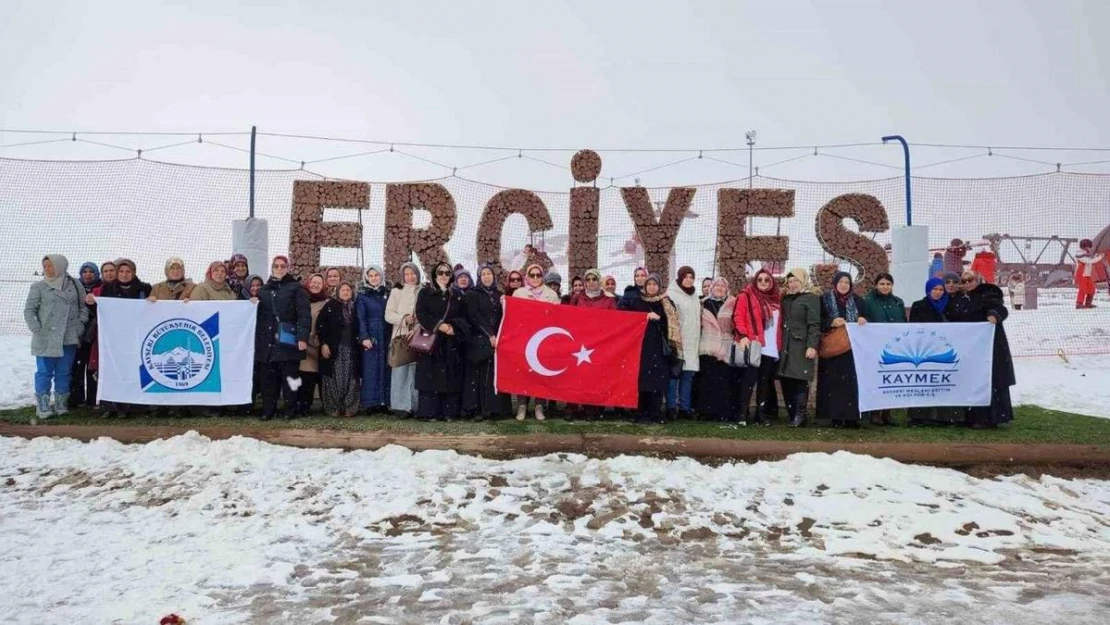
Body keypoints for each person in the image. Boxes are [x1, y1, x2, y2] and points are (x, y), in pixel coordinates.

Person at [25, 255, 89, 423]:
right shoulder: (38, 286)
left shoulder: (75, 284)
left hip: (69, 336)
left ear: (60, 266)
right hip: (46, 337)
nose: (47, 269)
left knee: (64, 372)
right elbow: (29, 311)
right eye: (45, 266)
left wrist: (79, 326)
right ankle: (43, 405)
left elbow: (83, 307)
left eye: (50, 265)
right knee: (44, 372)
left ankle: (61, 404)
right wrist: (37, 329)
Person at [949, 271, 1016, 429]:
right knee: (972, 381)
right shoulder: (960, 299)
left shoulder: (987, 294)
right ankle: (971, 416)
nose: (966, 283)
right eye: (963, 280)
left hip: (990, 348)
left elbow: (1000, 308)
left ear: (978, 280)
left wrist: (994, 315)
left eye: (970, 279)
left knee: (990, 381)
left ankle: (991, 417)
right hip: (970, 350)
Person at [254, 255, 310, 421]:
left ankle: (290, 409)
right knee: (268, 380)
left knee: (291, 378)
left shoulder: (296, 288)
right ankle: (268, 410)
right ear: (272, 268)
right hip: (267, 342)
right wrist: (251, 303)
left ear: (288, 268)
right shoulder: (263, 290)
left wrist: (302, 337)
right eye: (276, 266)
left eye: (282, 266)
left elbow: (304, 314)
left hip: (288, 340)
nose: (279, 269)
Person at [94, 259, 151, 418]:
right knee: (113, 368)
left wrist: (153, 301)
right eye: (121, 272)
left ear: (133, 272)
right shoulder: (107, 289)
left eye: (128, 272)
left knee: (135, 369)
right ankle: (112, 406)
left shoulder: (144, 288)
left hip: (137, 336)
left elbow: (152, 308)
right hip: (115, 337)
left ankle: (135, 406)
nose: (124, 275)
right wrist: (92, 302)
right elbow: (99, 309)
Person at [619, 274, 680, 424]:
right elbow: (625, 315)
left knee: (658, 382)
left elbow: (673, 324)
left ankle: (656, 413)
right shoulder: (637, 301)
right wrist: (643, 317)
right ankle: (641, 413)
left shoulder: (666, 302)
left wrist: (659, 319)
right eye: (649, 284)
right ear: (645, 286)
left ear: (659, 286)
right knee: (642, 381)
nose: (652, 287)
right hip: (642, 348)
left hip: (660, 348)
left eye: (655, 284)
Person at [906, 277, 966, 427]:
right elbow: (914, 327)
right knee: (923, 382)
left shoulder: (950, 305)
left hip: (945, 349)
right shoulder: (919, 305)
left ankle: (947, 417)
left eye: (941, 289)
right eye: (935, 289)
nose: (938, 292)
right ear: (928, 290)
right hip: (925, 350)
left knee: (944, 382)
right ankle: (919, 416)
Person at [415, 262, 469, 421]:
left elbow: (463, 316)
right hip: (431, 340)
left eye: (447, 273)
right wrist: (439, 326)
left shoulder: (456, 295)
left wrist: (454, 327)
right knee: (430, 376)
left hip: (450, 342)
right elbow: (421, 313)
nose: (444, 275)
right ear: (435, 274)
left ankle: (449, 412)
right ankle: (429, 412)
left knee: (450, 376)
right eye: (441, 272)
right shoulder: (425, 292)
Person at [816, 271, 868, 428]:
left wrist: (863, 319)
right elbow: (817, 320)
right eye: (841, 282)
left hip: (851, 348)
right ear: (835, 284)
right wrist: (831, 322)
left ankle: (852, 416)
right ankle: (835, 416)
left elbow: (867, 317)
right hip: (832, 348)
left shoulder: (858, 301)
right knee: (833, 383)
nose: (844, 285)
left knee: (852, 383)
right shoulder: (824, 299)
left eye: (847, 282)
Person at [733, 268, 783, 426]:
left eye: (767, 280)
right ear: (755, 281)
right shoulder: (746, 295)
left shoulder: (777, 300)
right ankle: (742, 413)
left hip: (771, 347)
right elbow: (738, 316)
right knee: (748, 381)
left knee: (764, 382)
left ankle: (760, 414)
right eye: (760, 279)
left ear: (772, 282)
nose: (763, 282)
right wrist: (742, 336)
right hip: (754, 343)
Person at [463, 263, 512, 420]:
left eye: (488, 273)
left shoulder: (498, 295)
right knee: (478, 375)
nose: (486, 276)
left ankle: (495, 409)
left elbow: (503, 317)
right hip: (479, 339)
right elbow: (474, 315)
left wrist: (506, 303)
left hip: (497, 340)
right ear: (479, 277)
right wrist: (489, 334)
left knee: (493, 374)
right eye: (483, 274)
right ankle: (478, 409)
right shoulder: (473, 294)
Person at [512, 263, 561, 420]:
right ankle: (522, 406)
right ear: (527, 276)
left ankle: (539, 406)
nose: (535, 278)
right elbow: (513, 316)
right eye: (532, 275)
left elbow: (556, 317)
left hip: (543, 338)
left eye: (538, 275)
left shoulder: (551, 294)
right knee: (523, 373)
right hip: (524, 339)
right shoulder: (519, 293)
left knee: (540, 372)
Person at [778, 268, 821, 428]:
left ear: (803, 280)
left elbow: (814, 324)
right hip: (786, 344)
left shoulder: (811, 298)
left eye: (795, 280)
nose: (793, 284)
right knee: (786, 378)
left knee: (800, 379)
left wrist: (812, 345)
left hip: (801, 344)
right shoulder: (786, 299)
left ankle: (800, 415)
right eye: (790, 281)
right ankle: (792, 413)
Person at [862, 272, 906, 426]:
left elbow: (903, 322)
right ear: (876, 285)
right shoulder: (868, 301)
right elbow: (863, 319)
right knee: (877, 379)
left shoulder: (898, 302)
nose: (885, 287)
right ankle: (874, 412)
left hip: (896, 348)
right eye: (882, 284)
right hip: (875, 347)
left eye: (888, 284)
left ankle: (888, 412)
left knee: (892, 379)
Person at [695, 277, 740, 422]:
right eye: (717, 285)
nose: (719, 288)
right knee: (706, 381)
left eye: (722, 286)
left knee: (723, 382)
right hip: (707, 346)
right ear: (712, 288)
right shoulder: (702, 303)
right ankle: (705, 412)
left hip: (725, 347)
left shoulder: (732, 303)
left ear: (726, 289)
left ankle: (722, 412)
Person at [316, 281, 362, 417]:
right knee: (332, 378)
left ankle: (349, 407)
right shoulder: (330, 305)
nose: (346, 292)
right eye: (343, 290)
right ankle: (333, 407)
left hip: (352, 349)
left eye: (348, 290)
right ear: (338, 292)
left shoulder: (356, 307)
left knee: (351, 378)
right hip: (333, 349)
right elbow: (321, 325)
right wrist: (323, 343)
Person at [384, 262, 422, 418]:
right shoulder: (396, 292)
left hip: (418, 336)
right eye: (406, 274)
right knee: (400, 371)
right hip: (400, 338)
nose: (410, 277)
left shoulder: (423, 291)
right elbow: (388, 314)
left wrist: (417, 326)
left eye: (412, 273)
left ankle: (415, 405)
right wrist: (404, 319)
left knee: (415, 371)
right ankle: (401, 407)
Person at [666, 266, 701, 420]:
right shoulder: (671, 294)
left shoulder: (695, 296)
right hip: (677, 341)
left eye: (691, 277)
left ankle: (685, 407)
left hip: (692, 341)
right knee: (674, 375)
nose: (689, 280)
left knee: (688, 375)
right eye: (686, 276)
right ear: (680, 278)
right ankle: (671, 407)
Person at [356, 266, 392, 414]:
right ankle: (370, 403)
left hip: (386, 333)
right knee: (370, 369)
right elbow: (361, 318)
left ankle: (385, 402)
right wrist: (364, 336)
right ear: (367, 278)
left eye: (376, 275)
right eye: (371, 276)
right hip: (372, 334)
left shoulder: (388, 293)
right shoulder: (363, 295)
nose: (374, 278)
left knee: (386, 366)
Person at [67, 262, 101, 409]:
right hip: (78, 333)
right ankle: (76, 398)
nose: (88, 274)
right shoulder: (74, 288)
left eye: (91, 271)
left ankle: (93, 399)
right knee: (77, 366)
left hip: (97, 334)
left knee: (93, 368)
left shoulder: (102, 288)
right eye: (85, 271)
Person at [295, 273, 330, 415]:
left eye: (319, 283)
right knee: (305, 377)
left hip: (318, 344)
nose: (315, 285)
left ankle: (326, 405)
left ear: (323, 286)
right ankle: (303, 406)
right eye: (313, 282)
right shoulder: (300, 300)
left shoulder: (326, 303)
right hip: (302, 343)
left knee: (318, 376)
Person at [1075, 238, 1104, 309]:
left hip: (1087, 274)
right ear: (1085, 246)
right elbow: (1090, 261)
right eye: (1088, 246)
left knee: (1091, 288)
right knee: (1083, 289)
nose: (1089, 248)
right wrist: (1100, 257)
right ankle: (1079, 304)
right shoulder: (1080, 253)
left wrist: (1097, 255)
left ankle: (1088, 304)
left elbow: (1091, 258)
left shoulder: (1086, 253)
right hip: (1081, 274)